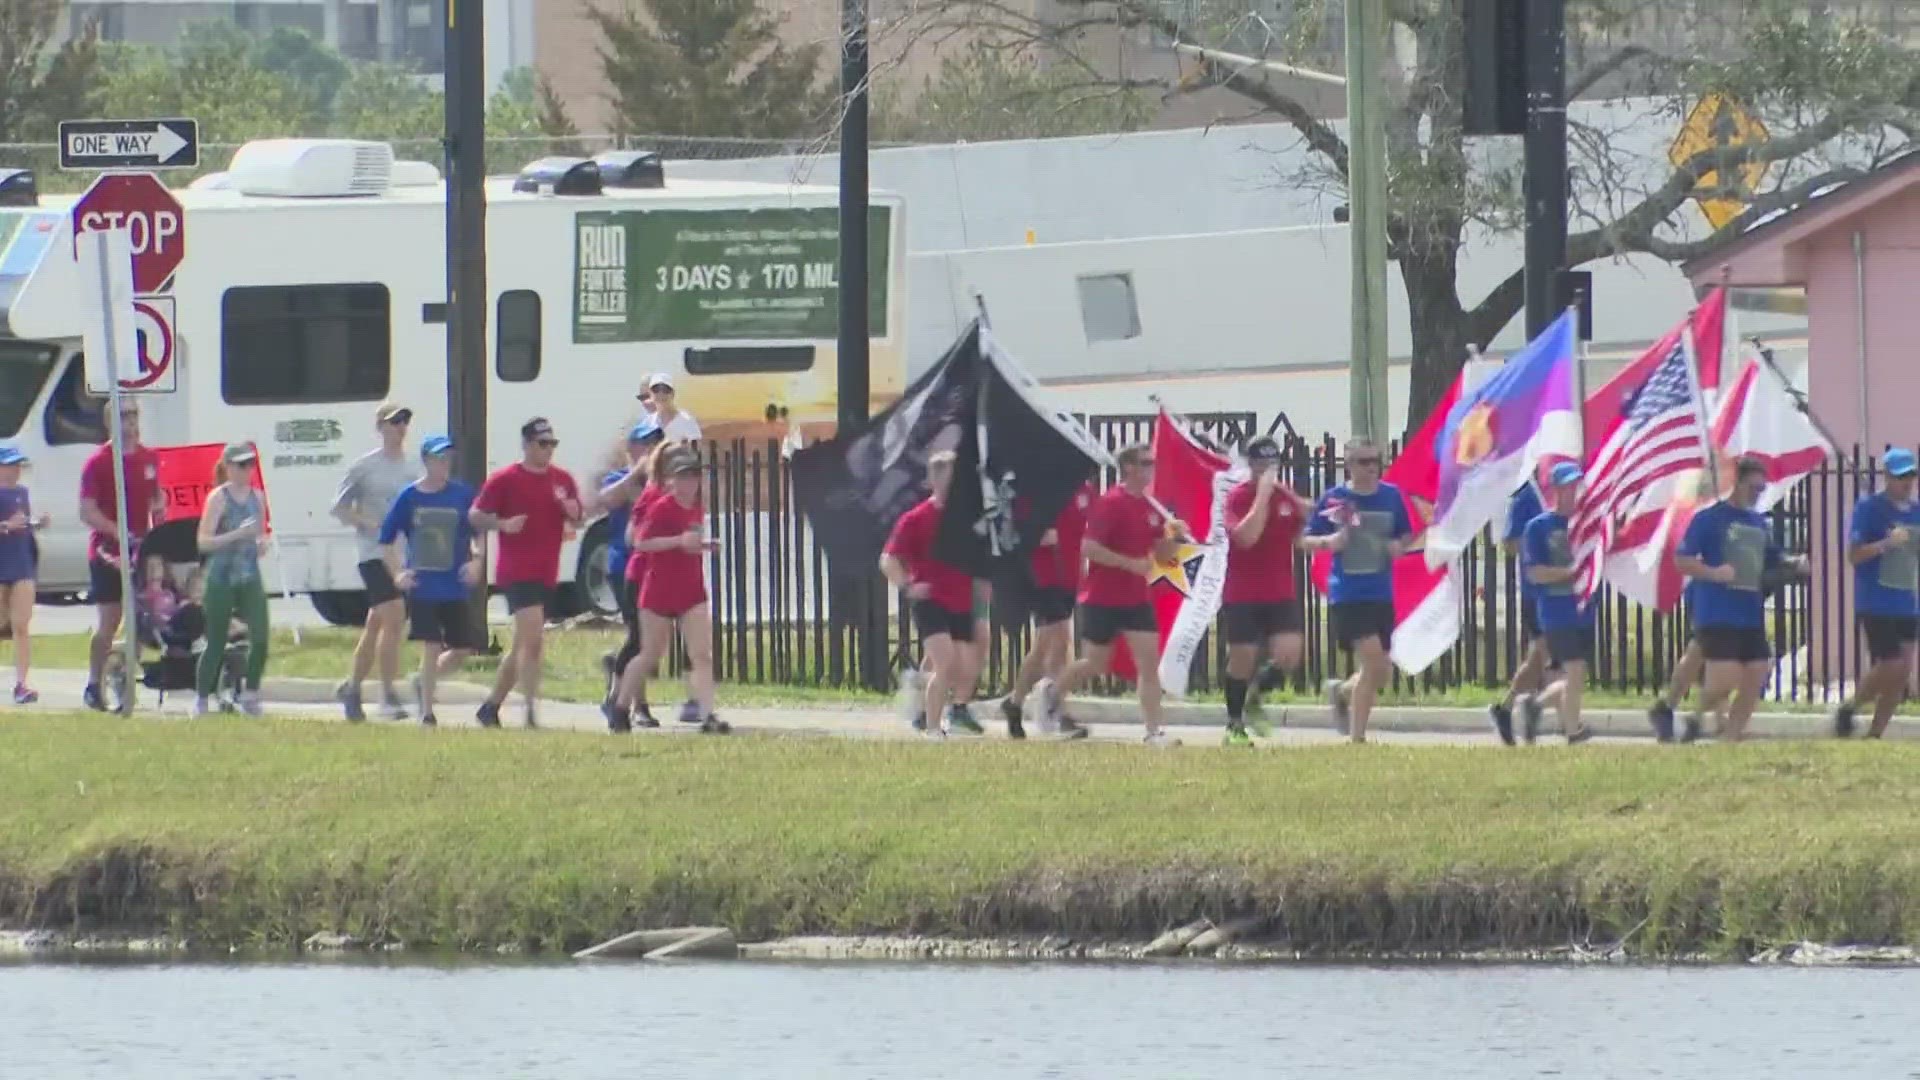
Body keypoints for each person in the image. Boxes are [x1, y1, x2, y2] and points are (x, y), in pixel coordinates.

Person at [1049, 444, 1185, 747]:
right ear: (1129, 468)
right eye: (1145, 463)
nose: (1152, 468)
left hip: (1136, 598)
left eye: (1153, 462)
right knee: (1095, 664)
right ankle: (1052, 694)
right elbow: (1089, 548)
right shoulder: (1110, 503)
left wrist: (1174, 538)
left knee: (1148, 665)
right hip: (1102, 597)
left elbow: (1162, 557)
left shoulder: (1151, 506)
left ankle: (1154, 732)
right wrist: (1130, 563)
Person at [470, 417, 588, 729]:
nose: (548, 450)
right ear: (526, 445)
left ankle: (491, 705)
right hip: (516, 570)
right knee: (532, 637)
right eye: (542, 444)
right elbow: (476, 515)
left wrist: (570, 510)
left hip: (546, 569)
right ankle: (530, 711)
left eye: (552, 444)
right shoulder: (505, 479)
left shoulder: (562, 479)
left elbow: (578, 519)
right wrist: (502, 525)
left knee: (525, 643)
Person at [1674, 457, 1802, 743]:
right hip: (1717, 611)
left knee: (1758, 671)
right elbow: (1682, 560)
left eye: (1762, 488)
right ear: (1738, 482)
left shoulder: (1758, 522)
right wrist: (1714, 572)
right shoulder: (1708, 518)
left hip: (1749, 611)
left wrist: (1794, 562)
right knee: (1726, 679)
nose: (1758, 493)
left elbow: (1771, 556)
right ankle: (1695, 718)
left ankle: (1730, 739)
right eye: (1754, 487)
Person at [1305, 439, 1414, 744]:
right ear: (1349, 465)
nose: (1371, 467)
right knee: (1374, 664)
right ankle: (1357, 739)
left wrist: (1400, 545)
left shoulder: (1391, 497)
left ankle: (1341, 691)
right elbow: (1305, 539)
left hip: (1381, 593)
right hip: (1348, 593)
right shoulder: (1335, 500)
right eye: (1363, 461)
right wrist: (1329, 543)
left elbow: (1406, 532)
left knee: (1380, 672)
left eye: (1375, 461)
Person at [378, 435, 480, 727]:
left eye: (447, 458)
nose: (444, 464)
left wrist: (476, 561)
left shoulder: (462, 494)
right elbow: (386, 540)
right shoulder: (410, 497)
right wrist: (398, 573)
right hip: (423, 586)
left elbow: (477, 532)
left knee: (461, 649)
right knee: (431, 642)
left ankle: (423, 680)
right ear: (426, 461)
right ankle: (426, 714)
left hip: (454, 584)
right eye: (438, 458)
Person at [881, 451, 982, 740]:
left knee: (965, 667)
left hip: (961, 600)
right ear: (934, 480)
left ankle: (917, 688)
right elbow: (887, 560)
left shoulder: (966, 517)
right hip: (930, 601)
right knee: (946, 663)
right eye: (949, 478)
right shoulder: (915, 519)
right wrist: (907, 586)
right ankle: (934, 729)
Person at [331, 401, 422, 721]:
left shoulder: (414, 467)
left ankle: (352, 688)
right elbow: (339, 508)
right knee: (395, 616)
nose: (400, 428)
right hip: (371, 553)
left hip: (400, 555)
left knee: (377, 624)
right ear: (380, 427)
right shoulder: (363, 467)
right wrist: (369, 523)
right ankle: (388, 696)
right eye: (394, 422)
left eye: (404, 422)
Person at [1219, 436, 1312, 746]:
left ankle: (1255, 699)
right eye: (1260, 463)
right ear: (1250, 464)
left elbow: (1299, 533)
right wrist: (1262, 495)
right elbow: (1247, 537)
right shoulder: (1237, 497)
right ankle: (1234, 724)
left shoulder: (1284, 496)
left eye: (1272, 463)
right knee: (1242, 657)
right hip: (1243, 591)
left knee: (1289, 654)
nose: (1267, 469)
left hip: (1279, 590)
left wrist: (1330, 533)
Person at [78, 401, 164, 711]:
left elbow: (157, 501)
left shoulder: (149, 458)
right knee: (109, 621)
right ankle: (94, 682)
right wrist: (116, 531)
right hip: (107, 552)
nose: (130, 422)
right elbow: (87, 511)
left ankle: (124, 676)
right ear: (109, 422)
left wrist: (160, 534)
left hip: (141, 551)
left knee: (141, 618)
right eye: (123, 416)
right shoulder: (98, 462)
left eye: (133, 415)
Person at [633, 448, 726, 733]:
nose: (691, 482)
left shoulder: (696, 506)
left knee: (701, 653)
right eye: (684, 476)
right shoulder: (657, 502)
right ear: (670, 477)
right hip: (652, 584)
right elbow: (638, 541)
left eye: (695, 475)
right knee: (647, 653)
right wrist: (677, 541)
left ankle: (707, 713)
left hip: (689, 589)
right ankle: (624, 703)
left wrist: (703, 545)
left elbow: (689, 542)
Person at [1834, 447, 1920, 739]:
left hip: (1907, 603)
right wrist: (1885, 544)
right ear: (1886, 477)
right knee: (1890, 664)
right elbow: (1854, 555)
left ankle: (1874, 735)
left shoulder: (1917, 512)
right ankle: (1852, 706)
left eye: (1911, 475)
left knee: (1901, 674)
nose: (1907, 482)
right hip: (1876, 602)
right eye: (1900, 476)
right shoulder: (1868, 509)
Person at [1001, 481, 1094, 739]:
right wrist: (1037, 535)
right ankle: (1058, 714)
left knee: (1046, 647)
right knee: (1060, 637)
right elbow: (1013, 531)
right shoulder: (1035, 488)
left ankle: (1015, 702)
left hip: (1069, 575)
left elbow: (1089, 529)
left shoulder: (1084, 489)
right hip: (1042, 575)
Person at [1517, 462, 1597, 745]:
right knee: (1575, 669)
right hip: (1555, 612)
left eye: (1577, 484)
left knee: (1575, 673)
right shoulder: (1538, 527)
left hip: (1585, 611)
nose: (1574, 490)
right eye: (1568, 485)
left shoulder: (1588, 524)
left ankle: (1535, 705)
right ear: (1556, 489)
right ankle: (1573, 732)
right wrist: (1570, 573)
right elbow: (1535, 573)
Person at [598, 419, 667, 730]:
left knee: (645, 639)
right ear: (634, 448)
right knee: (640, 637)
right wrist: (638, 472)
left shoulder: (664, 484)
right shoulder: (622, 478)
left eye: (657, 442)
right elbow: (608, 499)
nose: (653, 448)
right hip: (624, 567)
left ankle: (619, 687)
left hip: (656, 569)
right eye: (647, 442)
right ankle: (630, 703)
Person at [193, 443, 271, 717]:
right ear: (228, 467)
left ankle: (251, 693)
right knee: (215, 641)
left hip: (249, 575)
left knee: (260, 637)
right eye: (241, 465)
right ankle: (202, 698)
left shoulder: (257, 497)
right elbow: (203, 542)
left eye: (250, 464)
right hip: (221, 577)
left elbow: (259, 533)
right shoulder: (219, 497)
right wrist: (236, 535)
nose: (247, 470)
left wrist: (261, 543)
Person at [1488, 476, 1548, 745]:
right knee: (1542, 654)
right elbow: (1509, 544)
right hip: (1536, 591)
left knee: (1547, 660)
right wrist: (1537, 544)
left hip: (1561, 588)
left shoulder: (1563, 489)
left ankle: (1527, 712)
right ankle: (1511, 707)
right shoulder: (1527, 496)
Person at [0, 444, 52, 704]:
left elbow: (23, 524)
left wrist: (36, 523)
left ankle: (22, 684)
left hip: (21, 563)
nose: (15, 470)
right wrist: (5, 526)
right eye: (10, 465)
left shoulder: (22, 493)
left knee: (21, 625)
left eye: (17, 465)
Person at [643, 373, 702, 442]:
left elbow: (695, 448)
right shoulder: (648, 422)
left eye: (666, 390)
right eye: (656, 390)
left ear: (673, 394)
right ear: (650, 394)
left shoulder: (686, 420)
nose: (661, 394)